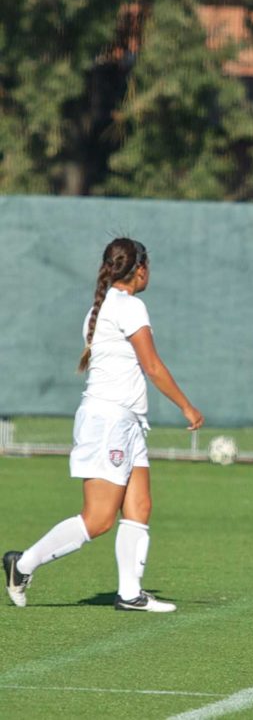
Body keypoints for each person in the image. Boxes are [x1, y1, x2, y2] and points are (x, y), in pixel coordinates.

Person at [3, 238, 204, 612]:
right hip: (108, 421)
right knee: (97, 520)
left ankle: (130, 594)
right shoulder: (128, 306)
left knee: (139, 506)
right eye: (148, 265)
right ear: (138, 269)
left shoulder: (103, 308)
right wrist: (187, 407)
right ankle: (22, 564)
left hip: (128, 422)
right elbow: (153, 367)